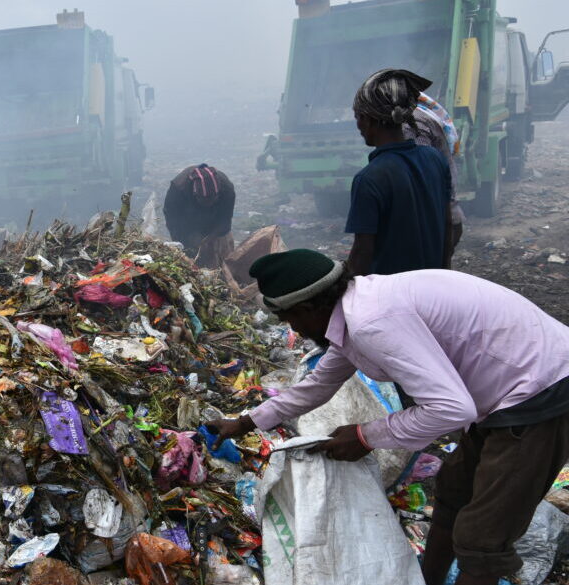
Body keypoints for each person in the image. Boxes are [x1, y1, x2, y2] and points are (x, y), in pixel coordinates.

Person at [206, 249, 569, 585]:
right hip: (504, 391)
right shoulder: (355, 308)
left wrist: (365, 436)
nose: (294, 331)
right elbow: (319, 384)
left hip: (540, 392)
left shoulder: (371, 321)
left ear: (309, 306)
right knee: (454, 492)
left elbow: (451, 409)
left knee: (481, 539)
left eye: (290, 319)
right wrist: (244, 423)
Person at [346, 69, 452, 276]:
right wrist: (445, 274)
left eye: (358, 116)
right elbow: (448, 225)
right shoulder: (434, 158)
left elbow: (363, 251)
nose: (358, 125)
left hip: (392, 295)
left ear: (368, 119)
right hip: (433, 285)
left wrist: (346, 290)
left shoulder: (368, 179)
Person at [405, 94, 464, 264]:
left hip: (431, 222)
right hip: (446, 215)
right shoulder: (426, 113)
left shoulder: (411, 125)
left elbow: (423, 174)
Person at [162, 164, 236, 269]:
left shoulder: (226, 188)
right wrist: (184, 240)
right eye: (205, 201)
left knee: (223, 255)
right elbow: (172, 219)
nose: (209, 204)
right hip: (188, 220)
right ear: (196, 194)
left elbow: (225, 220)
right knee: (189, 258)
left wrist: (209, 238)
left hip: (214, 221)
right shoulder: (179, 189)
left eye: (212, 200)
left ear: (218, 194)